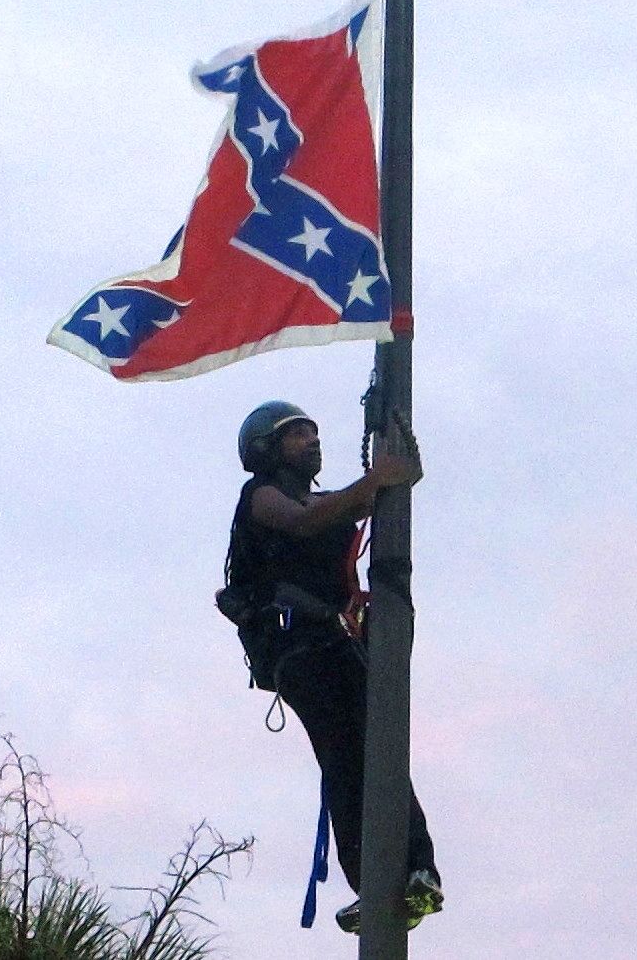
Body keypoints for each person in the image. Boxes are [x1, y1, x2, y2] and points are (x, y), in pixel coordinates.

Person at [218, 400, 443, 935]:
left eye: (315, 432)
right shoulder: (262, 498)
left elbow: (354, 503)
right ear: (267, 450)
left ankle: (418, 871)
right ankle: (375, 881)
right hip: (302, 650)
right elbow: (309, 520)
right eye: (298, 435)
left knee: (380, 751)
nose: (313, 441)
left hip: (338, 645)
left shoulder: (322, 498)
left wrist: (394, 477)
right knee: (347, 760)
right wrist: (375, 482)